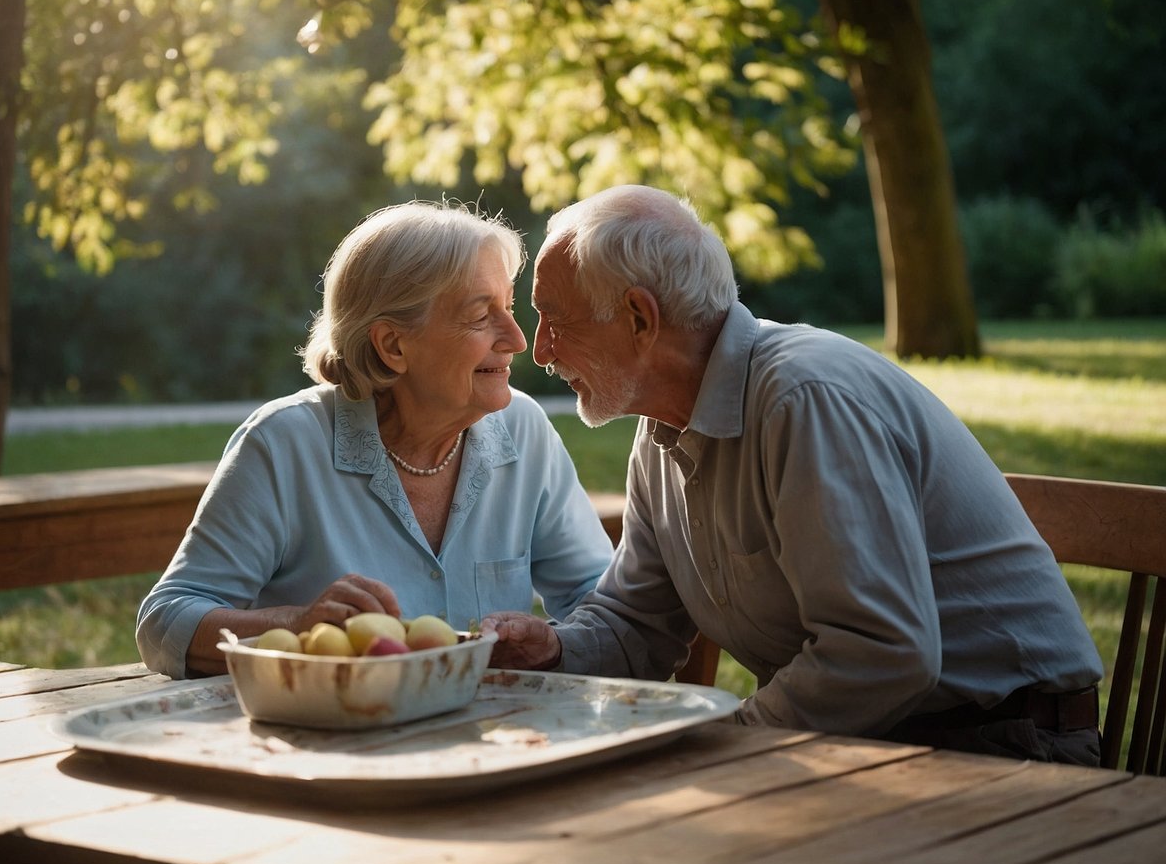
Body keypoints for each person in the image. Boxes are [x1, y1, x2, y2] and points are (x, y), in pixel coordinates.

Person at [483, 184, 1104, 766]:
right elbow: (638, 622)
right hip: (879, 740)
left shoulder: (803, 398)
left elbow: (883, 652)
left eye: (555, 320)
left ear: (640, 318)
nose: (540, 351)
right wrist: (555, 649)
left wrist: (725, 744)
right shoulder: (663, 431)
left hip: (999, 744)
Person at [137, 200, 612, 679]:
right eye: (480, 314)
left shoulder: (523, 429)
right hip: (330, 741)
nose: (516, 338)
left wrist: (552, 645)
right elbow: (165, 622)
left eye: (508, 308)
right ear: (392, 345)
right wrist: (294, 626)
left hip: (490, 736)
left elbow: (597, 596)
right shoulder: (285, 444)